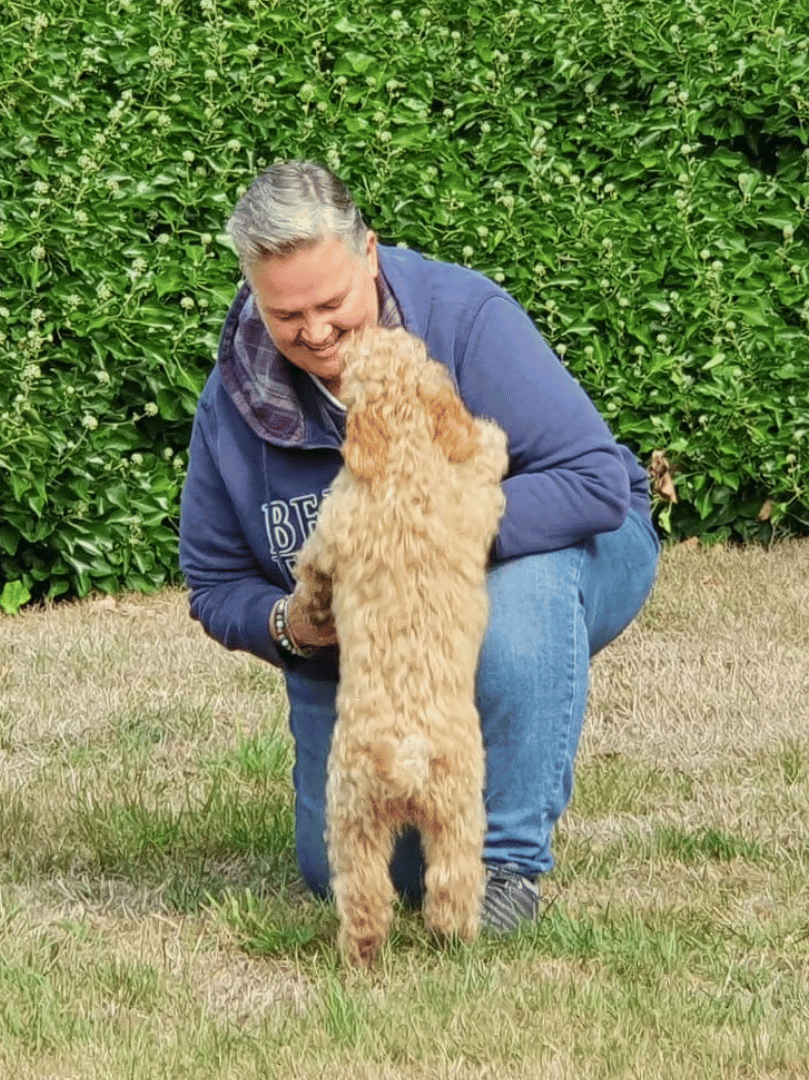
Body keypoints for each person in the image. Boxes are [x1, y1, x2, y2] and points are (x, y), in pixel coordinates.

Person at [179, 160, 660, 934]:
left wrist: (422, 536)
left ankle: (507, 867)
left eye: (332, 303)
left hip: (564, 550)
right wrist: (290, 626)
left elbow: (594, 483)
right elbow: (212, 578)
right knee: (338, 862)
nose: (315, 332)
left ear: (368, 252)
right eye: (285, 315)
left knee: (516, 609)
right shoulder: (233, 398)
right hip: (365, 653)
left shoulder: (465, 317)